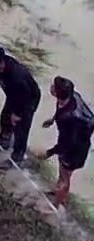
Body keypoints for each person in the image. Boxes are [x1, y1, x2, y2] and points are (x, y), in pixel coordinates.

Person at [0, 44, 42, 166]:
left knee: (21, 129)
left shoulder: (17, 76)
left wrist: (17, 114)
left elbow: (24, 96)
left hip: (27, 102)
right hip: (14, 96)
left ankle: (17, 158)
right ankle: (4, 140)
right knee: (5, 117)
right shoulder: (2, 64)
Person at [43, 76, 94, 207]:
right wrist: (53, 119)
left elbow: (68, 142)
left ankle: (56, 205)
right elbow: (60, 109)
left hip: (75, 149)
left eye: (53, 87)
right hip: (71, 139)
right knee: (62, 170)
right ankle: (58, 191)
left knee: (66, 176)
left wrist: (49, 152)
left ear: (57, 93)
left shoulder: (69, 118)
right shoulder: (72, 96)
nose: (51, 87)